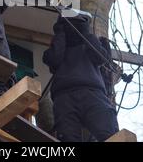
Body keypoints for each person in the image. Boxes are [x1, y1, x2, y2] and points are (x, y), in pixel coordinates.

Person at [43, 12, 119, 142]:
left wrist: (85, 33)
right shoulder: (59, 48)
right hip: (65, 97)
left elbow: (100, 57)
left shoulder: (89, 45)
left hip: (91, 93)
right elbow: (54, 59)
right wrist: (60, 33)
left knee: (109, 134)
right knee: (68, 138)